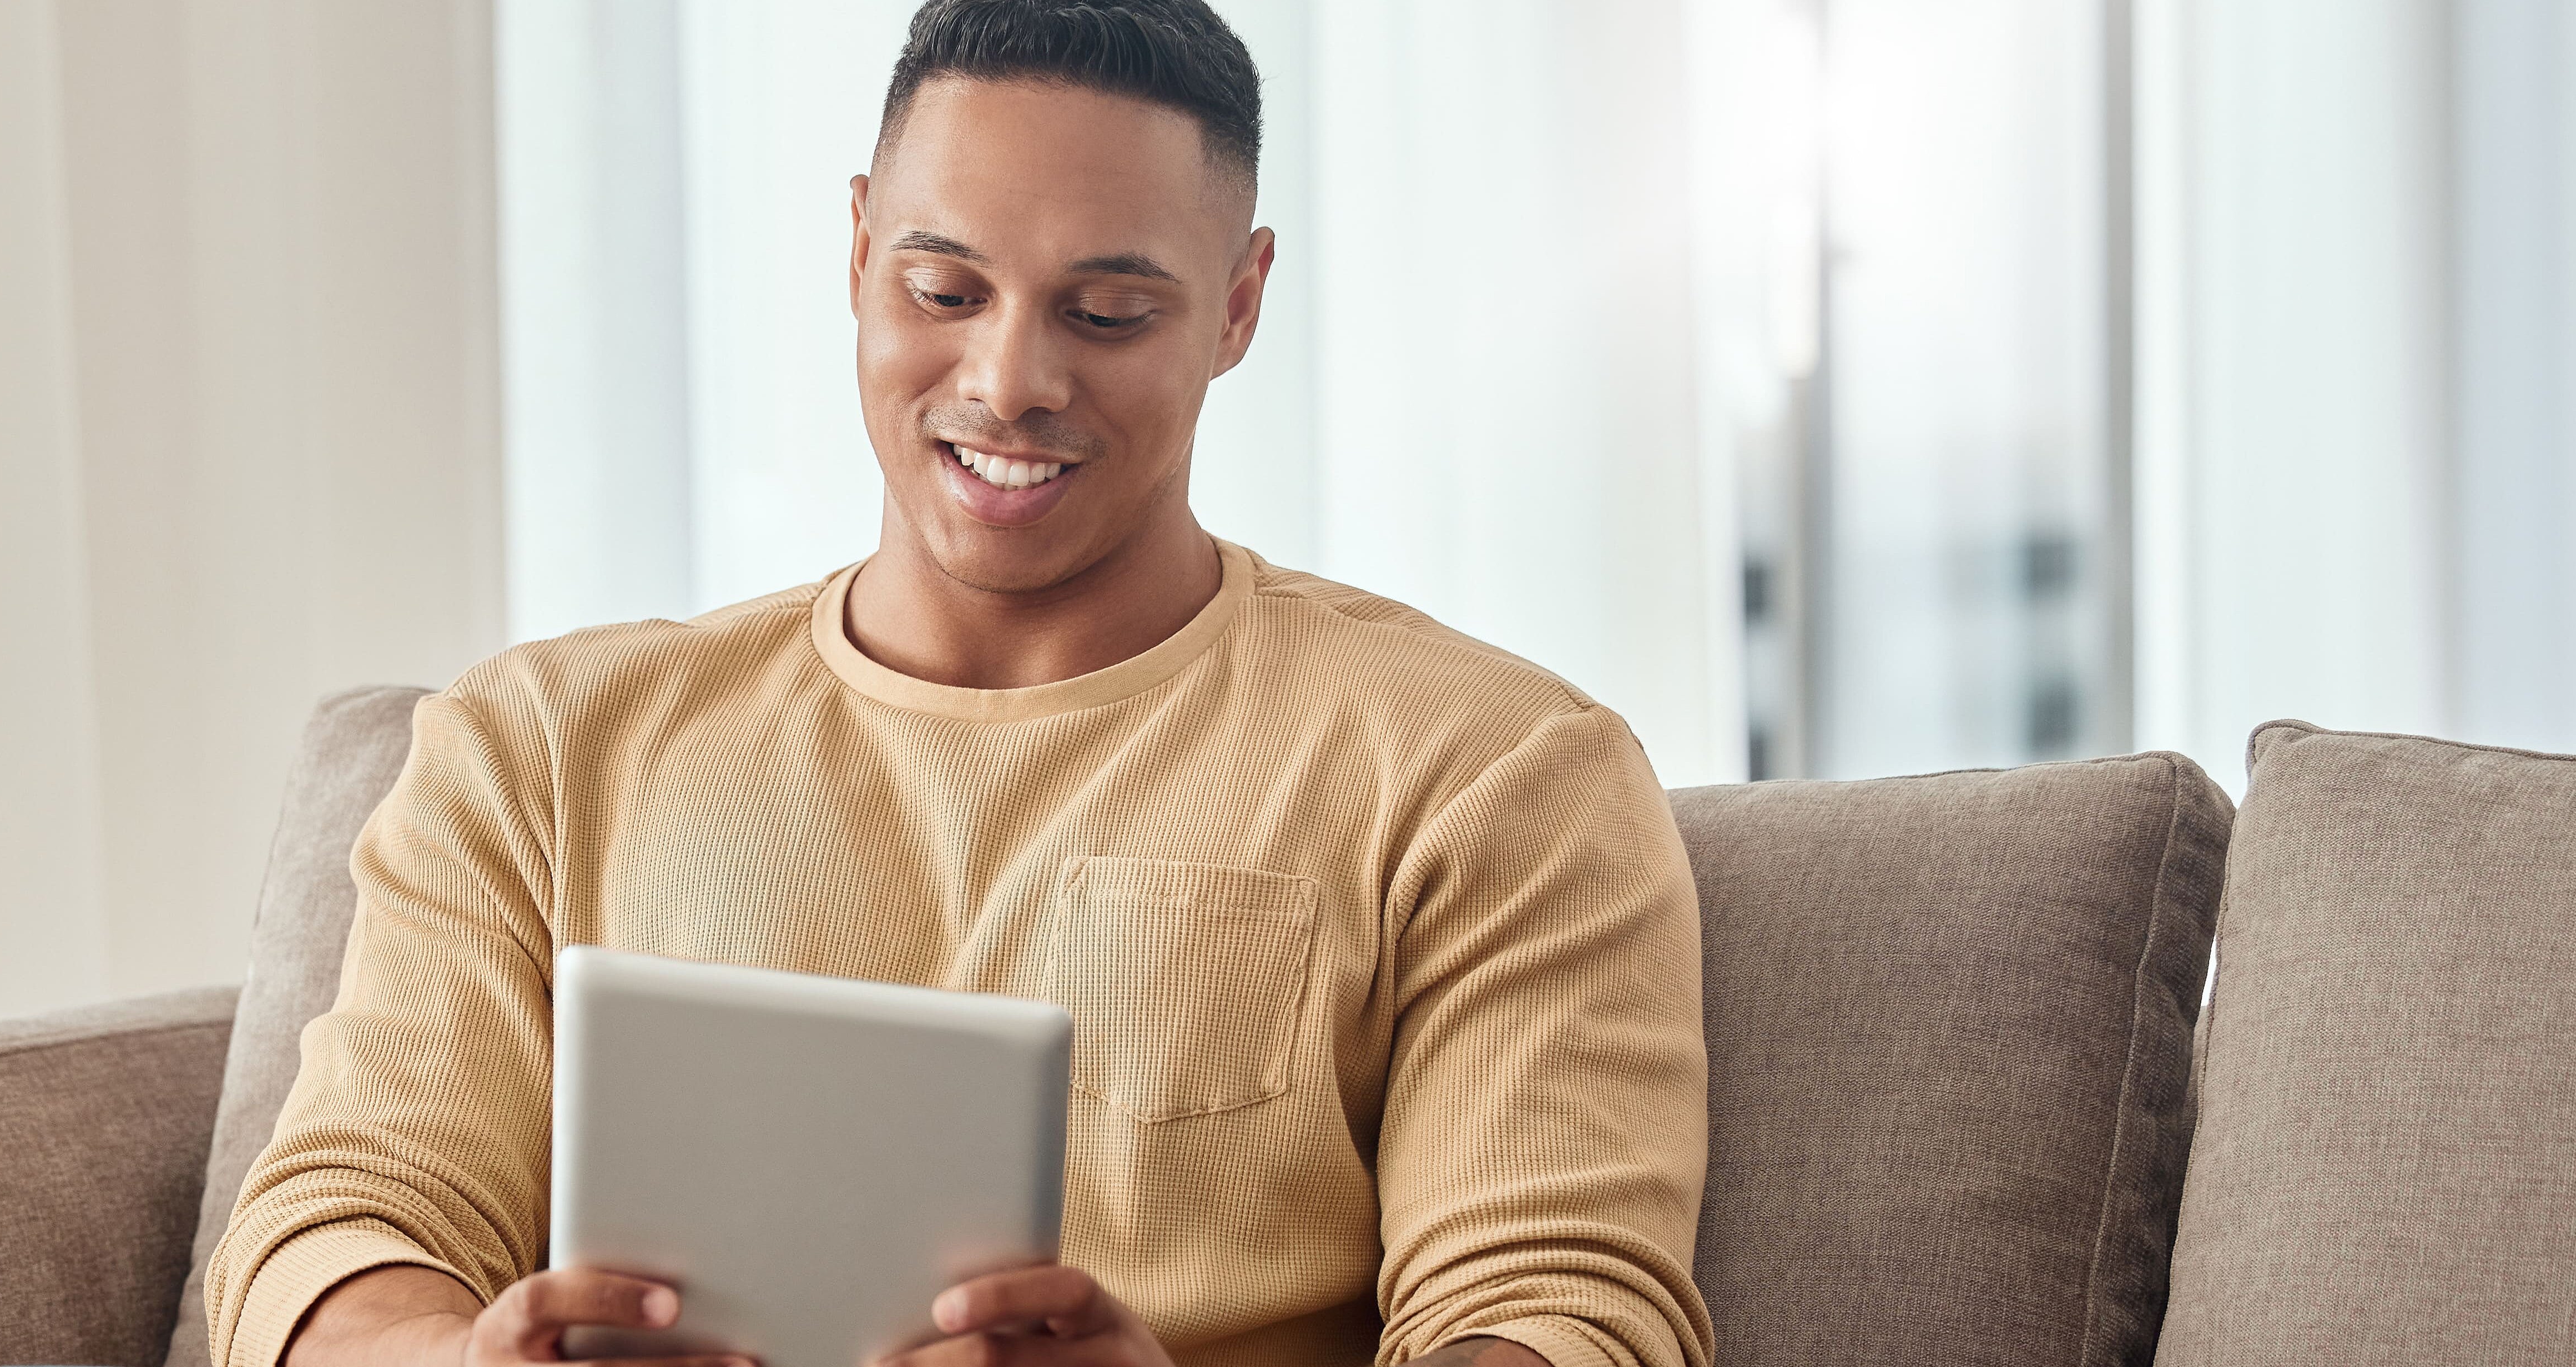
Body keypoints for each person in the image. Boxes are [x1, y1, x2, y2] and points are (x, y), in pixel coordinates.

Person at [204, 2, 1713, 1364]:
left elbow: (1560, 1316)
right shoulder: (539, 747)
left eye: (1107, 313)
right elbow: (341, 1220)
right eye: (943, 289)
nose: (1008, 383)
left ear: (1240, 307)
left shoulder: (1493, 769)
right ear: (859, 253)